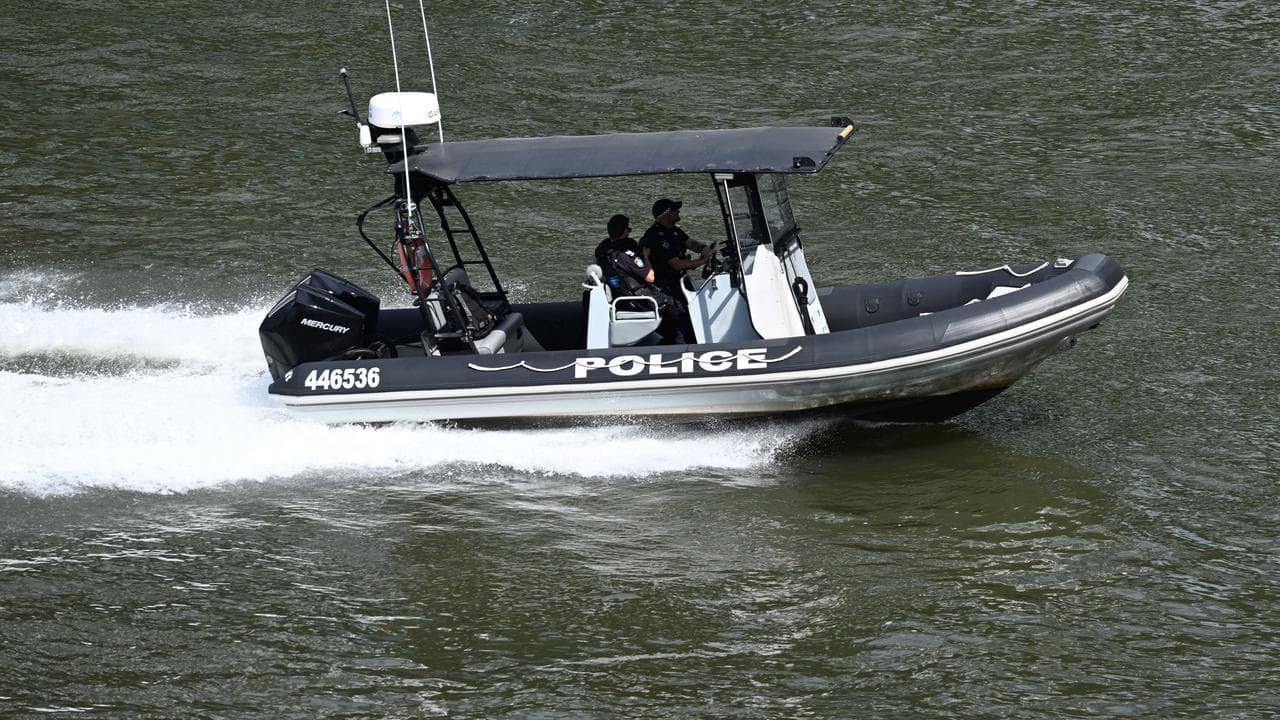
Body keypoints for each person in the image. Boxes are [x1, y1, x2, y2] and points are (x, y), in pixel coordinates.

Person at [595, 213, 684, 344]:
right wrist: (645, 256)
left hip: (621, 296)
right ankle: (680, 346)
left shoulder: (604, 252)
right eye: (629, 229)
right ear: (625, 231)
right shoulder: (626, 255)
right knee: (679, 312)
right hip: (639, 300)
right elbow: (650, 277)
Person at [640, 198, 711, 343]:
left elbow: (690, 242)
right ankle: (684, 348)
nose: (678, 211)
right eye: (674, 209)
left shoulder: (673, 230)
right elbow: (676, 264)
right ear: (666, 213)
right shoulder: (656, 236)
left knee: (691, 314)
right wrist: (703, 261)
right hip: (665, 287)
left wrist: (704, 248)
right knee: (683, 320)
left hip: (679, 282)